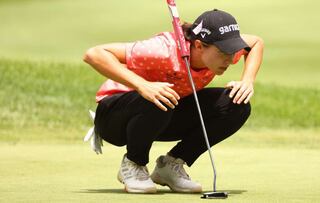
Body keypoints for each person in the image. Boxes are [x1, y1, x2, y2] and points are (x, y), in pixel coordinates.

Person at [83, 9, 263, 194]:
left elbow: (256, 42)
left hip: (161, 113)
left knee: (236, 104)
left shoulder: (222, 50)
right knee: (161, 95)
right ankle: (133, 164)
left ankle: (170, 166)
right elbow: (94, 54)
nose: (230, 59)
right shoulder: (162, 50)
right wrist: (142, 85)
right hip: (114, 117)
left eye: (233, 51)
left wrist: (247, 80)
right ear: (199, 45)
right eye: (223, 52)